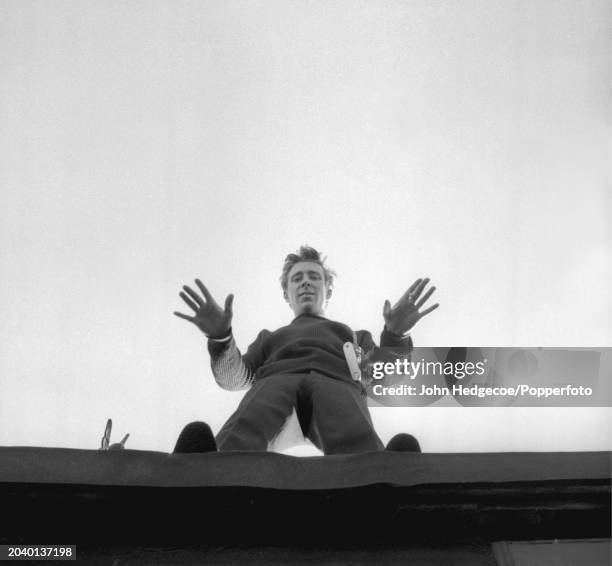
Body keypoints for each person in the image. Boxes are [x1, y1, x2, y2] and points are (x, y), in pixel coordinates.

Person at [173, 246, 438, 455]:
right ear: (287, 294)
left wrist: (396, 335)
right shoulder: (270, 338)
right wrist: (220, 339)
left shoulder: (354, 337)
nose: (306, 283)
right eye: (296, 278)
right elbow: (234, 378)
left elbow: (384, 378)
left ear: (328, 289)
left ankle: (375, 477)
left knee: (352, 430)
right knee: (249, 424)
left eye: (314, 277)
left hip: (337, 385)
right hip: (274, 384)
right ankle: (217, 473)